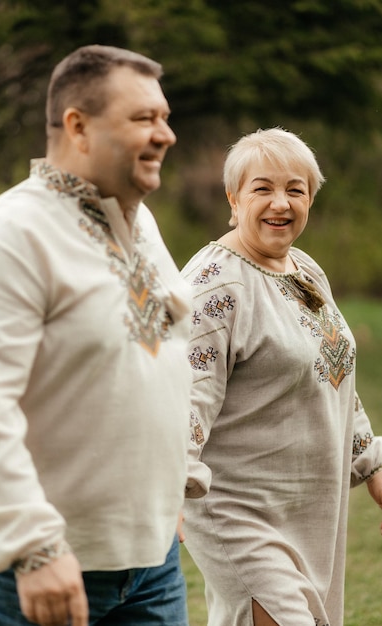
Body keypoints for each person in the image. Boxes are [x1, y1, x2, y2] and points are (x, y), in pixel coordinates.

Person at [0, 45, 193, 626]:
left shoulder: (141, 226)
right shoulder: (11, 234)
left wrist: (173, 490)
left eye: (165, 118)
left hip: (152, 567)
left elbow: (160, 361)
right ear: (78, 126)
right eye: (144, 118)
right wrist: (31, 545)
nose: (164, 134)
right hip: (35, 571)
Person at [181, 127, 382, 626]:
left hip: (309, 511)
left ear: (311, 198)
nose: (281, 203)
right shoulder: (213, 284)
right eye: (262, 188)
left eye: (295, 189)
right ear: (233, 198)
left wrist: (371, 463)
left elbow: (334, 373)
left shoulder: (306, 271)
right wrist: (169, 481)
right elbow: (185, 393)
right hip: (238, 513)